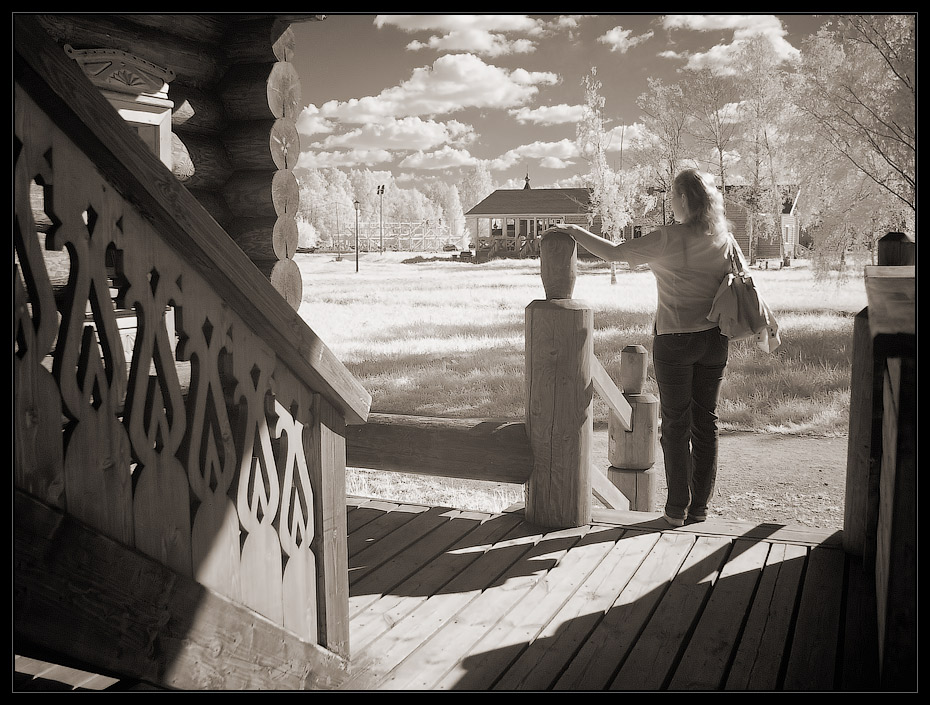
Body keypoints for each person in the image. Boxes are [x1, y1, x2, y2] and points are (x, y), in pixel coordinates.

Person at [543, 168, 735, 527]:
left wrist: (572, 230)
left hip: (676, 341)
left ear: (681, 199)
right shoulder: (724, 238)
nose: (670, 203)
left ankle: (677, 509)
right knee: (706, 423)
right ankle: (700, 509)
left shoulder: (667, 238)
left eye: (672, 197)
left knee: (676, 425)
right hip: (715, 341)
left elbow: (613, 253)